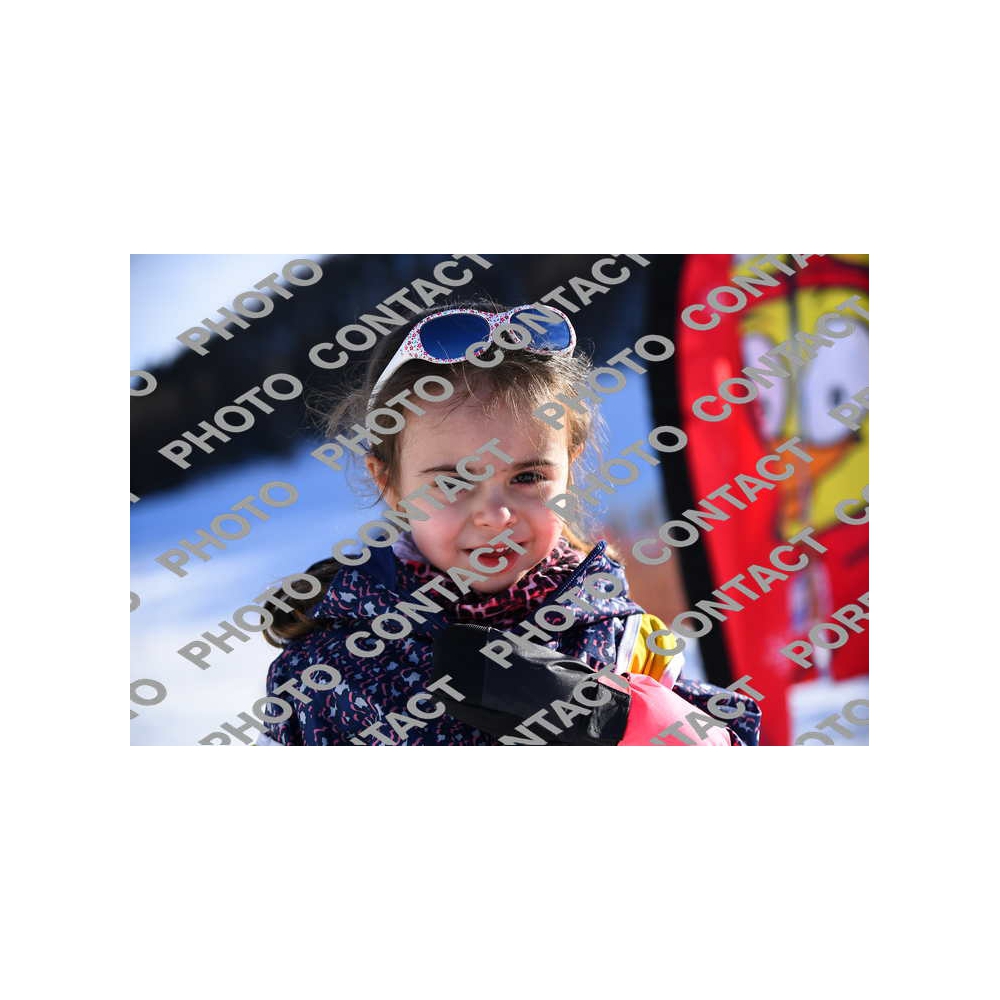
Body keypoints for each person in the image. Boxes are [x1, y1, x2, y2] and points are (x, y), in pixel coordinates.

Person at [259, 300, 761, 745]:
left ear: (569, 468)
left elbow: (727, 736)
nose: (496, 516)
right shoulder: (327, 670)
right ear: (388, 482)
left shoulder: (623, 637)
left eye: (527, 477)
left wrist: (643, 728)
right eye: (453, 483)